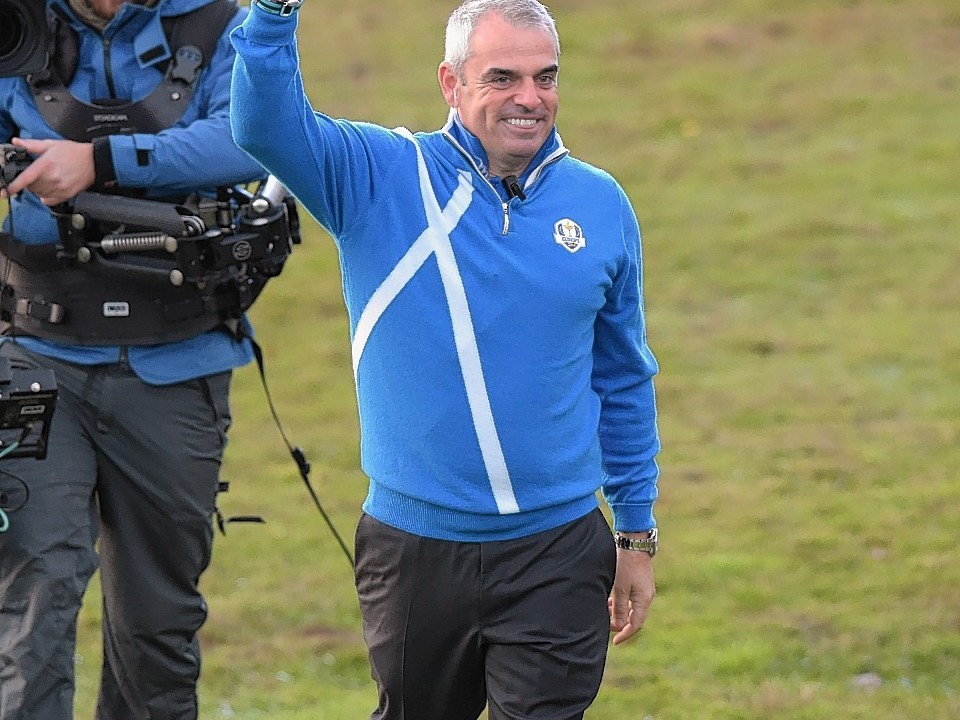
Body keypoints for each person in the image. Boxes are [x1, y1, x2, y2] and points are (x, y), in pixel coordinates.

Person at [231, 0, 661, 717]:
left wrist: (637, 531)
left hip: (556, 550)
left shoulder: (600, 203)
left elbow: (623, 378)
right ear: (451, 84)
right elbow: (264, 125)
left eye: (545, 77)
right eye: (502, 78)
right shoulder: (378, 176)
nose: (529, 98)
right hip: (413, 553)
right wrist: (273, 15)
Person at [0, 0, 274, 718]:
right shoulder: (12, 23)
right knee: (36, 602)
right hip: (35, 356)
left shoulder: (223, 25)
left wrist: (99, 161)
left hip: (177, 361)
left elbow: (253, 137)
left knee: (156, 625)